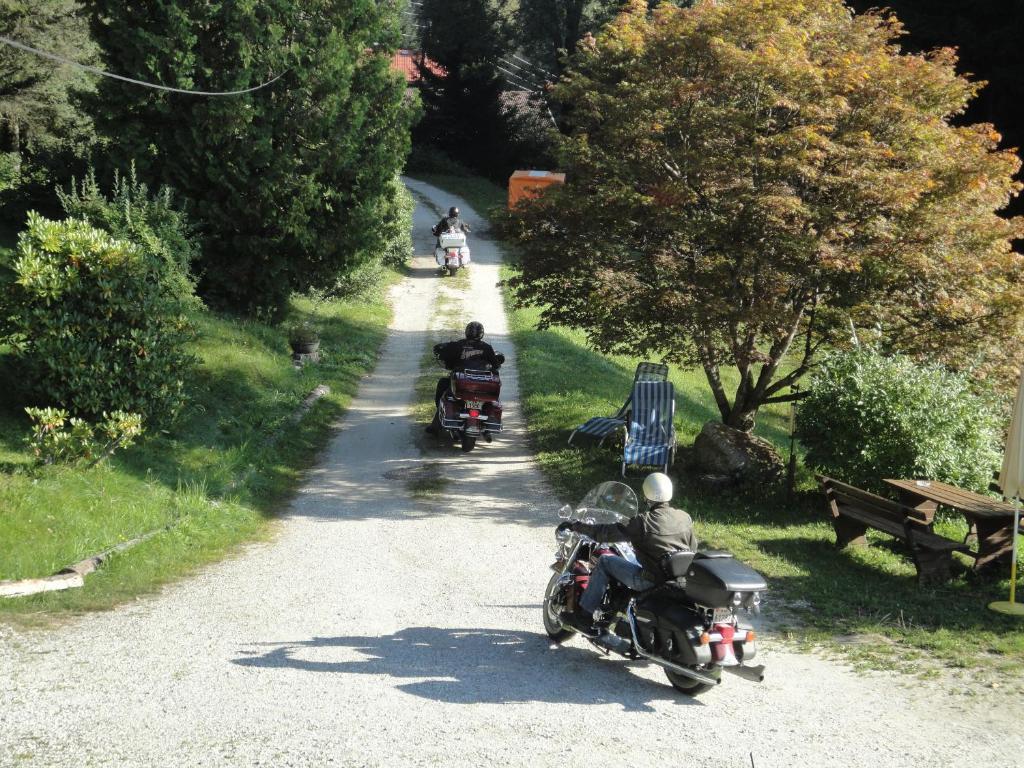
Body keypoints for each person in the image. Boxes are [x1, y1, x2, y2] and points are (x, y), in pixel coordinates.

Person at [560, 472, 698, 634]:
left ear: (647, 494)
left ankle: (584, 616)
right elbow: (692, 549)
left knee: (605, 560)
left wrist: (578, 526)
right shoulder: (684, 517)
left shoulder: (643, 522)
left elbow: (607, 533)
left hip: (651, 580)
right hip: (677, 579)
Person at [425, 321, 503, 435]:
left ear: (466, 332)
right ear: (482, 334)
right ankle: (486, 425)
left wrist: (443, 355)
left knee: (444, 389)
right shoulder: (486, 347)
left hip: (461, 382)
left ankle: (435, 424)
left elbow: (444, 354)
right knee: (492, 398)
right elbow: (496, 365)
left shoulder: (458, 345)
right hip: (483, 384)